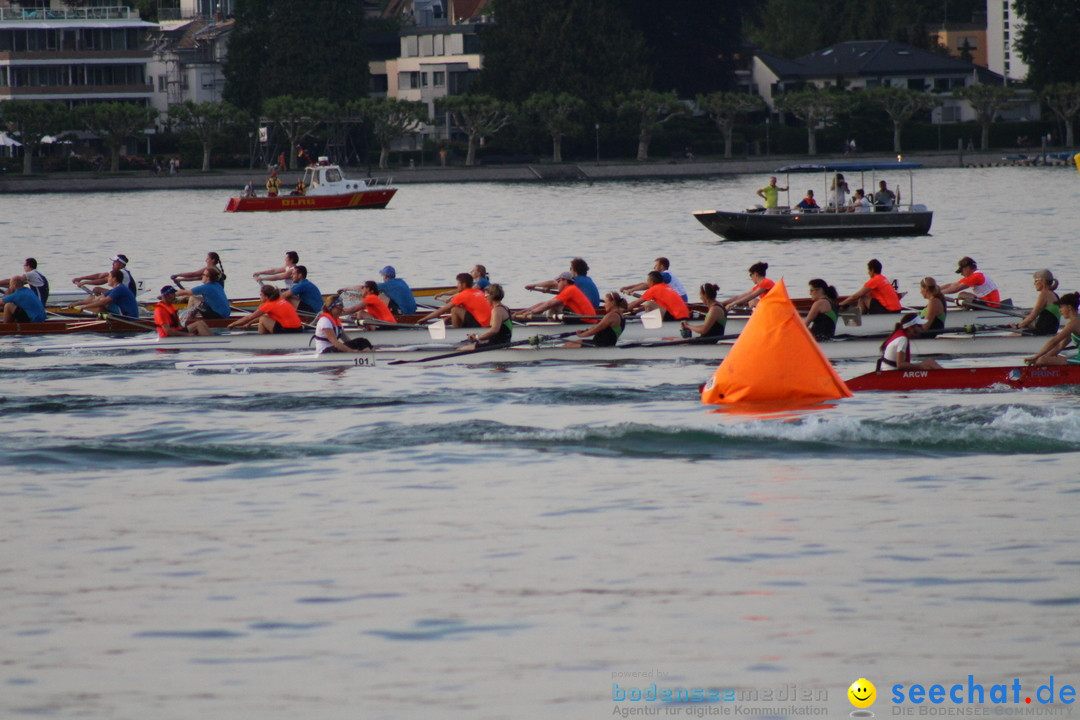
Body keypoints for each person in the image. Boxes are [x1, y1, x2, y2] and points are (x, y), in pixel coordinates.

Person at [417, 272, 491, 328]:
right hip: (490, 322)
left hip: (482, 324)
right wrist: (449, 318)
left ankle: (456, 333)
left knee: (454, 310)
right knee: (458, 309)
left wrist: (425, 319)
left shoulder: (463, 295)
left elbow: (444, 309)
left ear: (464, 284)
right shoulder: (479, 292)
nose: (457, 285)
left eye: (458, 283)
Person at [514, 272, 596, 321]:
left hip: (585, 320)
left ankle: (550, 329)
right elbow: (544, 302)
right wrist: (521, 312)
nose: (557, 284)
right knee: (549, 305)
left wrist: (530, 313)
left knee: (552, 307)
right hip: (584, 318)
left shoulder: (570, 290)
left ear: (565, 281)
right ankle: (551, 325)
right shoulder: (571, 288)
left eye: (558, 281)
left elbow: (548, 305)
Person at [1025, 293, 1080, 366]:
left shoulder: (1073, 324)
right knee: (1044, 359)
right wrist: (1044, 357)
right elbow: (1060, 345)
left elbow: (1053, 341)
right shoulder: (1075, 323)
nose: (1060, 310)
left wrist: (1037, 356)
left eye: (1061, 307)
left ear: (1069, 307)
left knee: (1042, 360)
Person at [528, 258, 602, 309]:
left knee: (551, 305)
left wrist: (534, 285)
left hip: (586, 309)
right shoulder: (588, 279)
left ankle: (551, 323)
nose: (570, 271)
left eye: (570, 269)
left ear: (574, 270)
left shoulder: (575, 280)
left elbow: (552, 284)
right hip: (594, 307)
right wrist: (548, 288)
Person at [228, 285, 304, 334]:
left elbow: (249, 317)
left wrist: (233, 324)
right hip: (298, 329)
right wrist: (250, 323)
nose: (260, 296)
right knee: (264, 318)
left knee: (263, 319)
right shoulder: (280, 300)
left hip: (290, 331)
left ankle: (262, 340)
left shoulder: (269, 305)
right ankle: (264, 339)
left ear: (266, 297)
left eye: (261, 294)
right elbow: (265, 315)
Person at [879, 313, 944, 371]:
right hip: (891, 374)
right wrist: (921, 367)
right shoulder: (902, 339)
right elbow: (900, 365)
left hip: (890, 371)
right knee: (929, 363)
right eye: (919, 326)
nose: (921, 329)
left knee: (930, 362)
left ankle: (947, 375)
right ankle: (948, 376)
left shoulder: (899, 334)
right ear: (911, 328)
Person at [69, 269, 139, 318]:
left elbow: (103, 302)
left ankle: (100, 321)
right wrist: (77, 303)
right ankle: (100, 319)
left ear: (114, 279)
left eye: (109, 277)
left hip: (129, 316)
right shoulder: (116, 288)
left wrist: (85, 307)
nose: (107, 279)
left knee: (104, 302)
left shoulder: (120, 289)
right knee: (100, 298)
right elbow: (97, 299)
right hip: (123, 312)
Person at [1012, 269, 1061, 335]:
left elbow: (1032, 316)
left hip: (1043, 332)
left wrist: (1017, 326)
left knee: (1011, 335)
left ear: (1043, 281)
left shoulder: (1044, 294)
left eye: (1036, 280)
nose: (1034, 283)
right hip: (1052, 330)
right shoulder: (1054, 294)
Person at [464, 284, 512, 349]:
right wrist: (478, 336)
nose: (485, 298)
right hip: (502, 342)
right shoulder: (505, 308)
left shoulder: (497, 310)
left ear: (492, 296)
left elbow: (494, 330)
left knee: (460, 349)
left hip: (497, 345)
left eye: (486, 296)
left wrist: (478, 337)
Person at [620, 257, 688, 302]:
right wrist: (627, 287)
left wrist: (631, 290)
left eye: (656, 265)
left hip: (680, 300)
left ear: (661, 266)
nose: (654, 267)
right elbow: (644, 284)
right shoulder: (665, 275)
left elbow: (646, 285)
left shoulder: (665, 275)